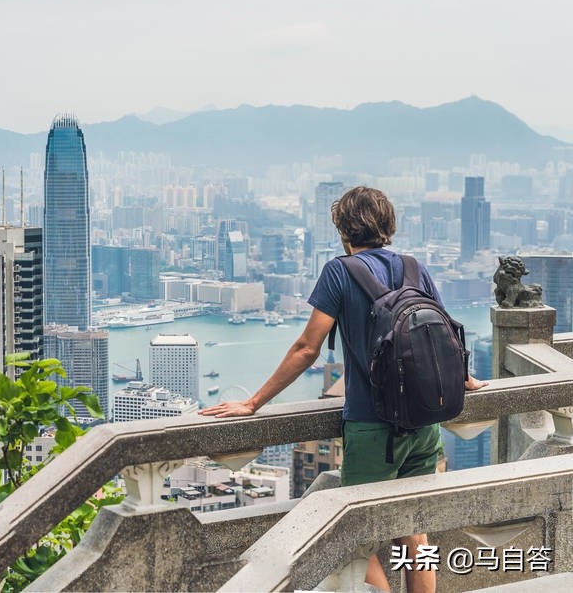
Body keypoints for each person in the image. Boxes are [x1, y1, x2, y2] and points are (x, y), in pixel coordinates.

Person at [201, 186, 486, 593]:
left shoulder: (340, 271)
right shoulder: (413, 267)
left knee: (356, 541)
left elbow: (306, 349)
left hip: (372, 427)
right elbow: (444, 337)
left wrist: (252, 402)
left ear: (343, 230)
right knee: (414, 534)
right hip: (424, 423)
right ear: (388, 225)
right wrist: (466, 380)